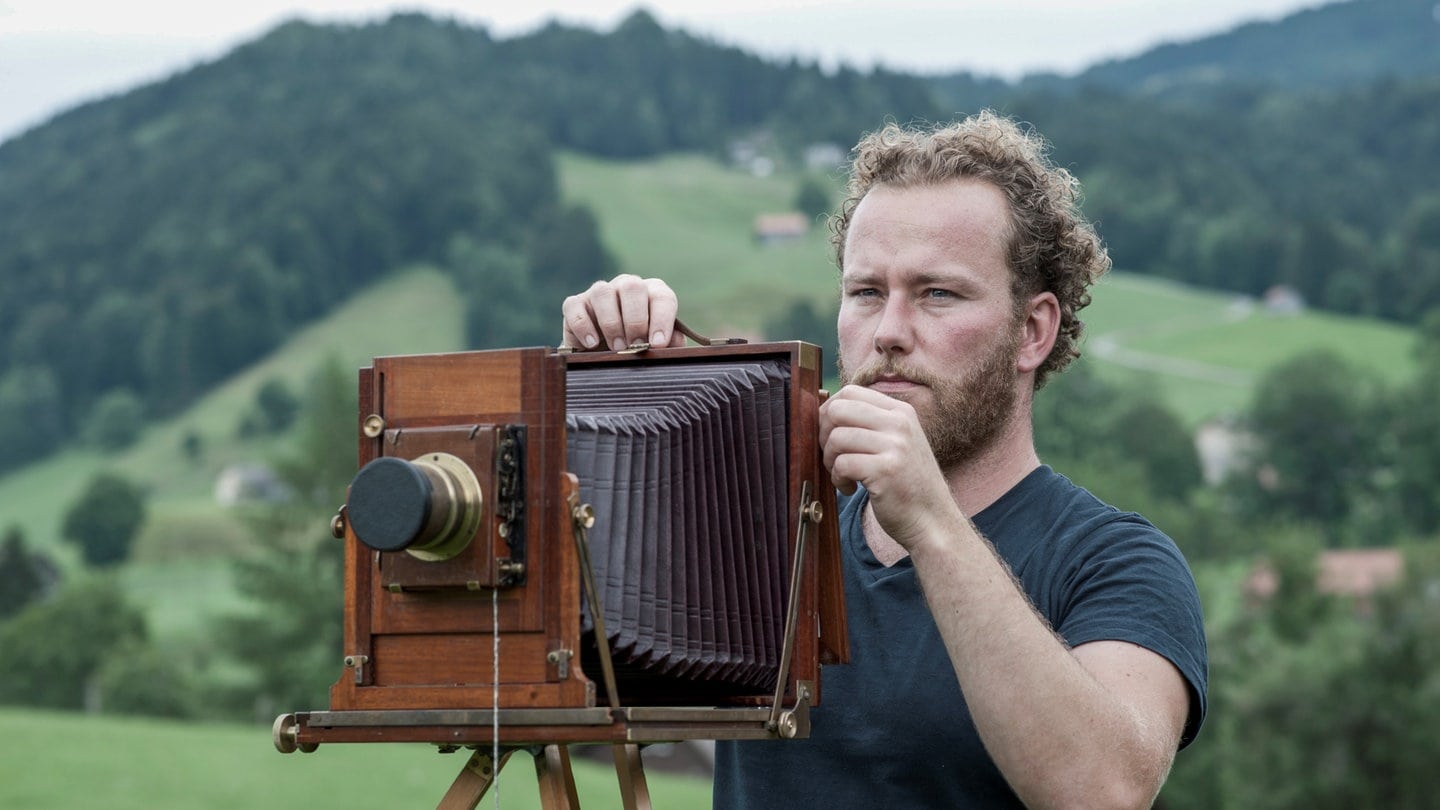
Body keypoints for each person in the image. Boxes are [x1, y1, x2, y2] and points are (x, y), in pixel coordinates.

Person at [560, 111, 1207, 809]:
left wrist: (930, 522)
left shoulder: (1117, 561)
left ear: (1033, 330)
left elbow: (1104, 792)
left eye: (938, 293)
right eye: (866, 292)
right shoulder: (771, 535)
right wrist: (598, 390)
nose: (890, 332)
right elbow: (563, 661)